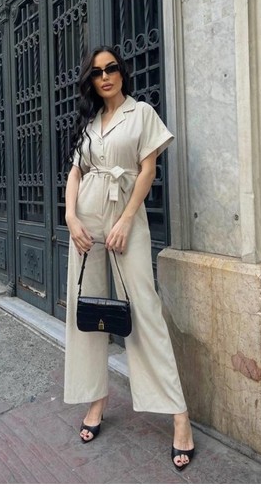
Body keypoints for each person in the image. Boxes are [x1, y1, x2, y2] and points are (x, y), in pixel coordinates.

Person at [64, 45, 195, 471]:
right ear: (90, 80)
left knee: (144, 310)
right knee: (85, 311)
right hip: (85, 221)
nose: (105, 76)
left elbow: (148, 170)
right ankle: (96, 399)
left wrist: (125, 220)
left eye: (111, 68)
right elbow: (76, 173)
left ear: (122, 71)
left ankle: (178, 414)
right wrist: (70, 216)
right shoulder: (89, 122)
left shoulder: (141, 114)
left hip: (125, 219)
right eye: (97, 72)